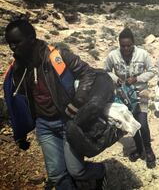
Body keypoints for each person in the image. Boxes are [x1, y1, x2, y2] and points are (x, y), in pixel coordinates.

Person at [3, 19, 107, 189]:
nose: (13, 47)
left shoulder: (57, 56)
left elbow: (88, 73)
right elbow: (17, 103)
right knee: (57, 175)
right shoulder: (17, 67)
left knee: (76, 171)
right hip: (44, 125)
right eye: (10, 43)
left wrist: (77, 101)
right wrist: (19, 132)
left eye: (17, 42)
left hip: (68, 121)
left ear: (31, 38)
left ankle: (100, 171)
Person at [104, 28, 156, 168]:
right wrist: (116, 79)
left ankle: (149, 150)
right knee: (130, 123)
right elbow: (106, 71)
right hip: (123, 95)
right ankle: (139, 149)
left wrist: (137, 78)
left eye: (129, 45)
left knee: (143, 123)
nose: (126, 48)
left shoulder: (143, 54)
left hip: (141, 92)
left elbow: (152, 71)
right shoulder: (113, 56)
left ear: (133, 43)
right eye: (123, 46)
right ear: (119, 44)